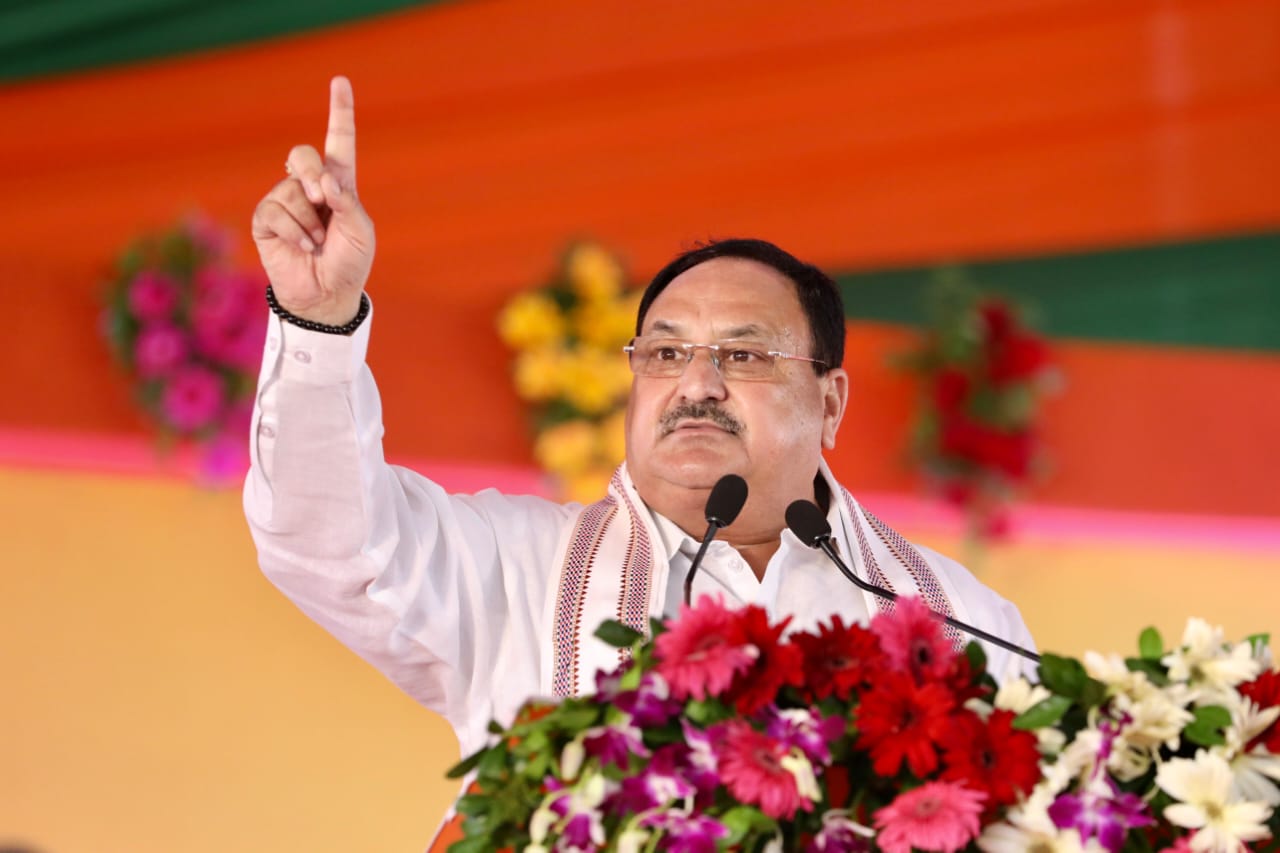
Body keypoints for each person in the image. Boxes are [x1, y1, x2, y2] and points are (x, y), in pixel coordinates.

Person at [246, 76, 1036, 764]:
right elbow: (330, 543)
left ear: (830, 402)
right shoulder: (516, 571)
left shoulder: (961, 624)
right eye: (663, 354)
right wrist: (319, 319)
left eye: (745, 355)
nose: (697, 382)